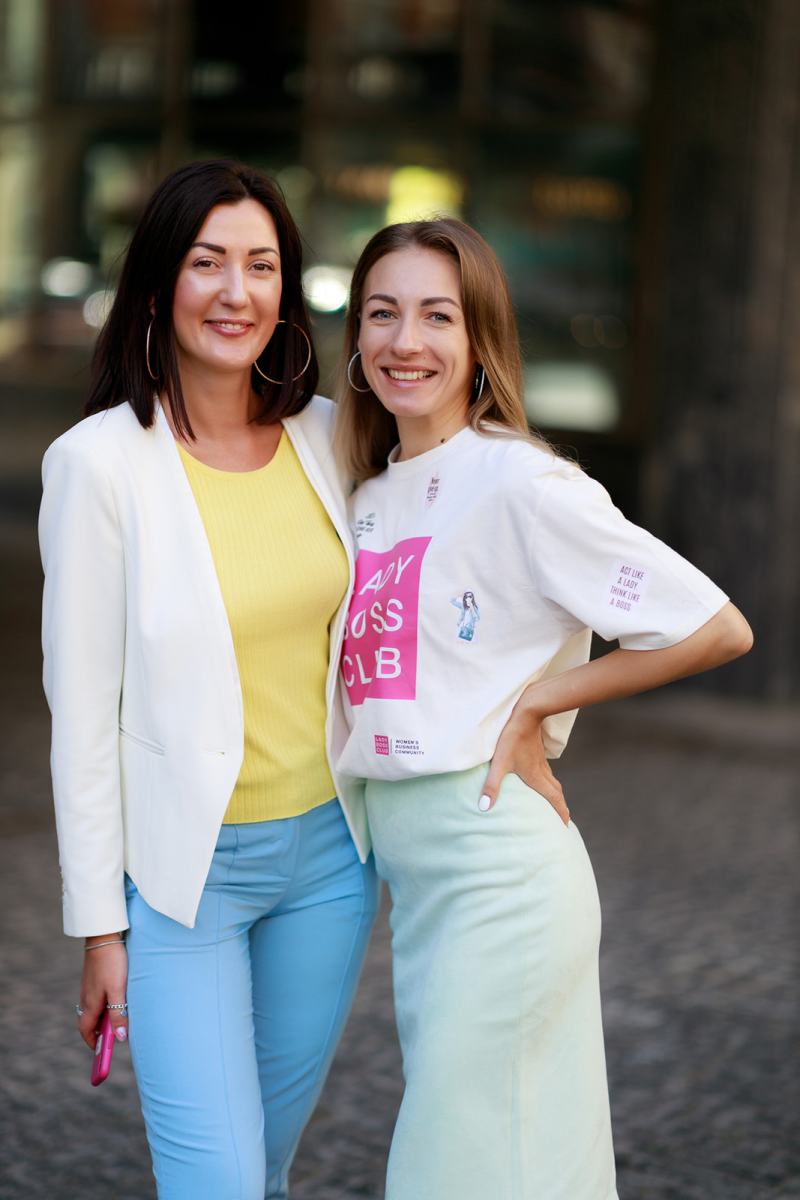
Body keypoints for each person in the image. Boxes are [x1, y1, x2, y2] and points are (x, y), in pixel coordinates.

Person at [333, 217, 753, 1200]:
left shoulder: (521, 482)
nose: (405, 341)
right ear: (353, 337)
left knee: (452, 1165)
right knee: (507, 1160)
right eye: (381, 314)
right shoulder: (365, 492)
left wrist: (543, 700)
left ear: (480, 340)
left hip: (500, 877)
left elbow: (713, 626)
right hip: (417, 885)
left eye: (438, 316)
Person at [39, 159, 377, 1200]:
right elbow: (81, 717)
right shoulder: (100, 464)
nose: (237, 292)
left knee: (262, 1168)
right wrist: (100, 928)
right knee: (216, 1181)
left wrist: (535, 717)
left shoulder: (330, 436)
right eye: (207, 262)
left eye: (262, 266)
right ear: (156, 286)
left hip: (330, 864)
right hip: (186, 881)